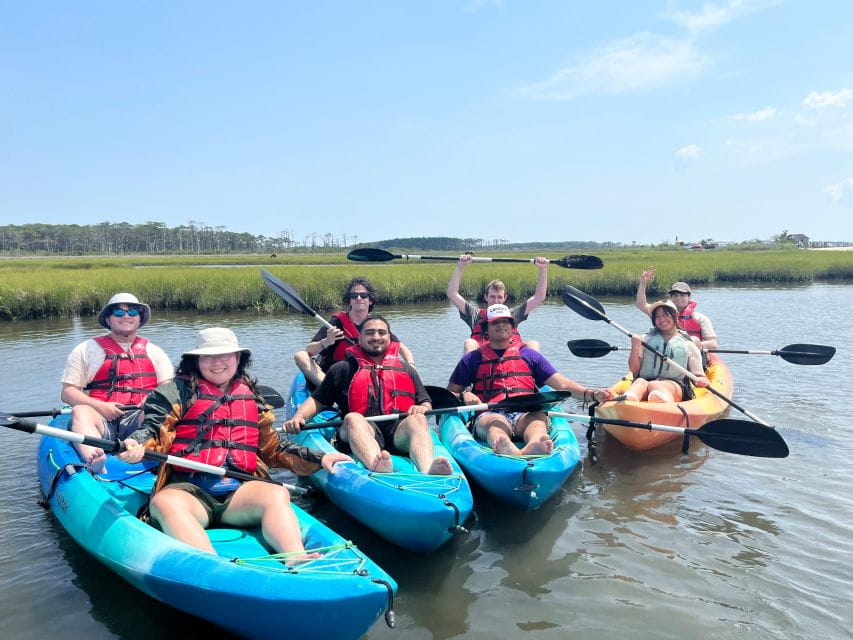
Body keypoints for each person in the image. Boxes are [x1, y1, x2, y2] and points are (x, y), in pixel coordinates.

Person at [118, 327, 351, 562]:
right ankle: (210, 563)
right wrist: (136, 445)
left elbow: (273, 447)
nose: (217, 363)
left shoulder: (251, 396)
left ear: (238, 358)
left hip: (239, 493)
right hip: (189, 492)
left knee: (276, 492)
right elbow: (152, 431)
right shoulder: (173, 393)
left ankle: (295, 555)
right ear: (196, 361)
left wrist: (320, 457)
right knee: (164, 503)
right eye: (208, 356)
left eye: (225, 355)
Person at [284, 314, 453, 475]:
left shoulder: (406, 369)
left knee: (418, 419)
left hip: (397, 433)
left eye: (382, 332)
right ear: (361, 339)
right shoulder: (342, 369)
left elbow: (425, 401)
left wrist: (421, 408)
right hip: (358, 431)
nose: (376, 337)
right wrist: (299, 417)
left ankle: (427, 471)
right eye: (370, 333)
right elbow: (317, 401)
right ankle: (376, 465)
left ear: (389, 337)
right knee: (353, 417)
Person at [447, 304, 613, 456]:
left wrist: (593, 394)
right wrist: (463, 396)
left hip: (526, 411)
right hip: (490, 412)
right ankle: (504, 445)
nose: (501, 325)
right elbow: (449, 394)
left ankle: (535, 444)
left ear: (512, 327)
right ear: (486, 329)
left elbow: (562, 384)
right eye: (495, 322)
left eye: (506, 322)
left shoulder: (529, 355)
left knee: (537, 421)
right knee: (495, 425)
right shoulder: (472, 359)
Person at [60, 292, 174, 473]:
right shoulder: (86, 350)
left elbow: (168, 386)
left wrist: (153, 398)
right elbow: (68, 392)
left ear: (140, 318)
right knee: (80, 410)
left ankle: (141, 451)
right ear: (108, 318)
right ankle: (94, 458)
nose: (126, 316)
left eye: (133, 312)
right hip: (100, 418)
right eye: (119, 313)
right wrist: (100, 406)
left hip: (139, 418)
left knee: (160, 410)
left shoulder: (155, 352)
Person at [293, 276, 415, 387]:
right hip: (333, 376)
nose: (358, 298)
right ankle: (327, 392)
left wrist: (411, 367)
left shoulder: (375, 324)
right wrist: (327, 341)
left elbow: (402, 348)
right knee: (300, 355)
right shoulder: (337, 322)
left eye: (363, 295)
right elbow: (309, 351)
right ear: (349, 301)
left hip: (361, 376)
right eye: (354, 296)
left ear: (370, 300)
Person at [446, 253, 549, 353]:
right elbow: (452, 294)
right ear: (486, 297)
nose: (496, 301)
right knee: (470, 343)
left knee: (533, 344)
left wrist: (543, 269)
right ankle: (468, 369)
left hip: (511, 359)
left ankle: (535, 370)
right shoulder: (475, 315)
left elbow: (539, 297)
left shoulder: (512, 314)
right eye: (492, 297)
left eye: (499, 297)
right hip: (482, 360)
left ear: (505, 298)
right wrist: (460, 267)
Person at [624, 300, 710, 403]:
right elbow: (634, 370)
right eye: (657, 316)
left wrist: (701, 380)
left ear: (675, 315)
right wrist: (635, 345)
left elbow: (698, 376)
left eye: (665, 315)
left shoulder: (688, 344)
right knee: (639, 382)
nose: (662, 319)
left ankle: (662, 401)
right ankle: (628, 400)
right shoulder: (645, 339)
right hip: (646, 382)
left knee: (654, 385)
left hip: (675, 385)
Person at [635, 268, 719, 350]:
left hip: (692, 354)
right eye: (675, 295)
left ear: (689, 297)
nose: (678, 298)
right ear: (671, 298)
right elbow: (641, 304)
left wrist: (692, 345)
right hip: (667, 354)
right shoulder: (661, 314)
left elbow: (713, 343)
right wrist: (643, 283)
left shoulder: (700, 318)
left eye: (682, 295)